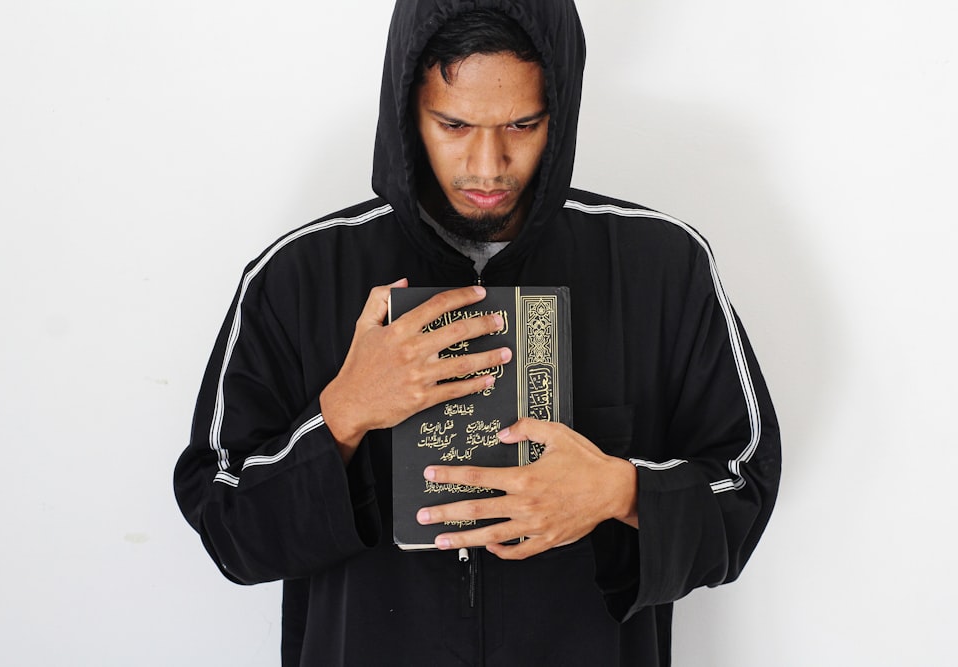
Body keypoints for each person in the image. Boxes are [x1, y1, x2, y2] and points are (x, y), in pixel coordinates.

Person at [173, 1, 781, 665]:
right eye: (454, 124)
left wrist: (617, 490)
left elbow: (744, 490)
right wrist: (344, 412)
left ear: (563, 109)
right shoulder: (297, 275)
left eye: (523, 123)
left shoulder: (662, 266)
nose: (488, 167)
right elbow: (224, 523)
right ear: (407, 111)